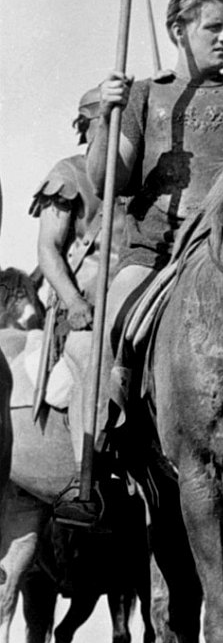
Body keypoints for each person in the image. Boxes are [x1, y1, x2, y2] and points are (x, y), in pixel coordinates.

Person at [69, 0, 223, 525]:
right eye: (213, 28)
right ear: (178, 31)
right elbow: (108, 179)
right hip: (156, 253)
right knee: (114, 318)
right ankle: (95, 465)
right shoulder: (145, 96)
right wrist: (107, 118)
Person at [30, 88, 107, 420]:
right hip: (86, 307)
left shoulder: (144, 177)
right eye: (108, 120)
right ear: (87, 125)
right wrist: (74, 302)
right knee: (85, 376)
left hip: (135, 299)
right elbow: (48, 247)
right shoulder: (69, 173)